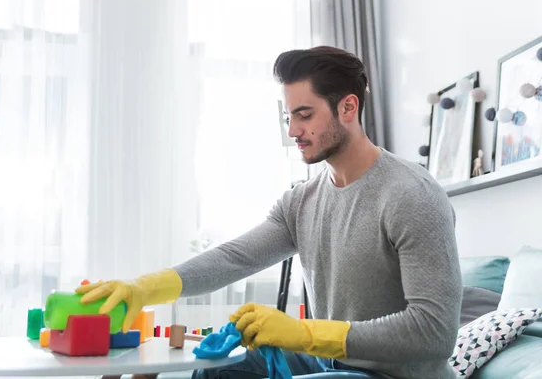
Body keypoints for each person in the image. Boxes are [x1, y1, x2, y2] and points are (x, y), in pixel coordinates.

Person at [77, 46, 462, 379]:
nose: (292, 130)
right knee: (222, 369)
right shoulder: (301, 201)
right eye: (288, 116)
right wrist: (143, 288)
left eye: (305, 114)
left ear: (348, 107)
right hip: (333, 364)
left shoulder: (411, 194)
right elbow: (234, 258)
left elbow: (433, 331)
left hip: (393, 375)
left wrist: (301, 332)